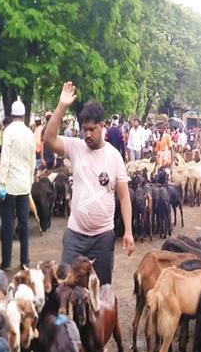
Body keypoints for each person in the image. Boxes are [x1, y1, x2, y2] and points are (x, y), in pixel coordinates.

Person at [43, 81, 134, 286]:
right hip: (75, 235)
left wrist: (128, 231)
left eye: (92, 129)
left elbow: (124, 197)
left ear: (103, 126)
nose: (87, 135)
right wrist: (61, 106)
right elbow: (48, 139)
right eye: (85, 130)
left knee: (101, 290)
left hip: (102, 238)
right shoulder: (75, 147)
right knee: (64, 286)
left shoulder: (114, 156)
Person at [0, 99, 35, 270]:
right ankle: (25, 262)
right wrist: (30, 181)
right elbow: (32, 161)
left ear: (12, 114)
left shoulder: (9, 131)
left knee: (8, 224)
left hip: (10, 185)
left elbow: (5, 159)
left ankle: (6, 263)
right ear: (23, 114)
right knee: (24, 224)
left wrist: (2, 184)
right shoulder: (29, 133)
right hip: (24, 185)